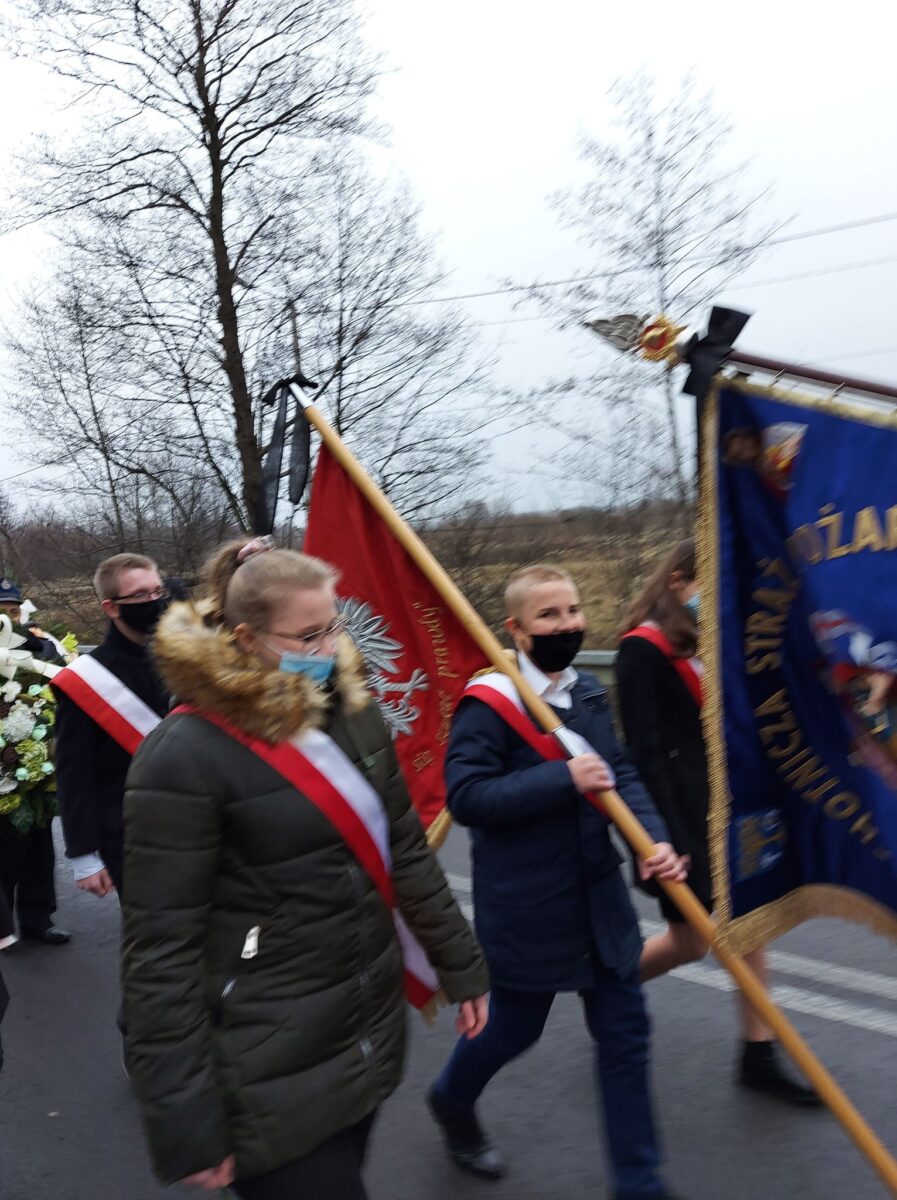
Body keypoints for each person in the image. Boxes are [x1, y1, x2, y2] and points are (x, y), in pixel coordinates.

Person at [120, 537, 489, 1197]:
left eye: (333, 626)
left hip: (361, 1036)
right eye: (308, 636)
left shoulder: (350, 712)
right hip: (262, 1060)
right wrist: (186, 1121)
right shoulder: (182, 755)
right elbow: (161, 951)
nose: (329, 648)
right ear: (245, 636)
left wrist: (460, 966)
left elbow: (404, 849)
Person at [428, 563, 686, 1200]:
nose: (567, 624)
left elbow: (620, 772)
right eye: (548, 615)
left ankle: (639, 1184)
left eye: (572, 611)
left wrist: (653, 839)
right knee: (514, 1029)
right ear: (516, 629)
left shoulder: (588, 690)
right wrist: (561, 778)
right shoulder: (489, 702)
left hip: (600, 901)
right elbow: (468, 797)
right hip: (528, 906)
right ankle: (451, 1099)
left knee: (626, 1037)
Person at [616, 537, 819, 1107]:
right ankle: (608, 986)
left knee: (752, 921)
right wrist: (662, 837)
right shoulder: (641, 649)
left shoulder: (717, 638)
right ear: (677, 581)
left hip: (732, 807)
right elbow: (645, 755)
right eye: (708, 581)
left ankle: (759, 1053)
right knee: (691, 943)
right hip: (681, 817)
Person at [52, 554, 171, 899]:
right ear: (111, 607)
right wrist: (84, 854)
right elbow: (74, 772)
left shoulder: (182, 659)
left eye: (158, 591)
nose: (154, 601)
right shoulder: (88, 679)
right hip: (130, 836)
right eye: (140, 595)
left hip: (195, 824)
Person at [0, 578, 69, 947]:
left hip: (37, 756)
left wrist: (43, 649)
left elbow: (61, 676)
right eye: (3, 611)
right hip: (4, 762)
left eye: (14, 610)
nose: (10, 617)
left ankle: (38, 919)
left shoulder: (38, 643)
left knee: (39, 842)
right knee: (6, 847)